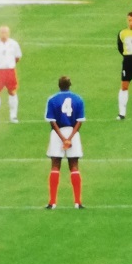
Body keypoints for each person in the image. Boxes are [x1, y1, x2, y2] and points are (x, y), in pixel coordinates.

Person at [44, 75, 86, 210]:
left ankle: (52, 202)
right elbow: (79, 120)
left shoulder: (52, 99)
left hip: (58, 134)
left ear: (59, 85)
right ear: (70, 85)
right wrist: (70, 138)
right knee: (74, 166)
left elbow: (52, 120)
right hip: (73, 133)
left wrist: (63, 139)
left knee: (55, 165)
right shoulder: (78, 99)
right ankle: (78, 202)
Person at [0, 24, 23, 124]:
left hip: (10, 71)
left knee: (12, 92)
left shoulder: (14, 44)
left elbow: (18, 57)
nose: (3, 34)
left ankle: (13, 116)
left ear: (9, 33)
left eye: (5, 32)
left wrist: (9, 64)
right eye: (2, 32)